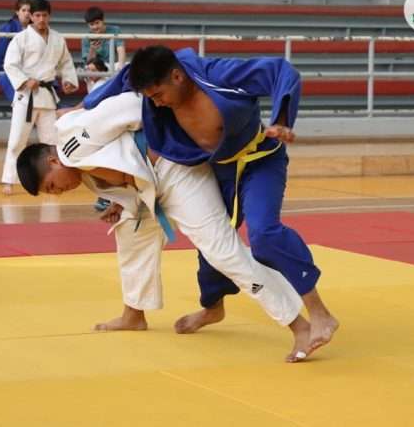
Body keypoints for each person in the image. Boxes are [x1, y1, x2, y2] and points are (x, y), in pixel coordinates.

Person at [17, 92, 316, 362]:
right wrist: (121, 201)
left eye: (52, 186)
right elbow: (124, 167)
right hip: (153, 189)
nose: (58, 193)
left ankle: (299, 324)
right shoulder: (81, 172)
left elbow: (132, 105)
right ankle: (134, 314)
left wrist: (170, 142)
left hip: (176, 172)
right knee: (130, 231)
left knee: (223, 252)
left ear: (53, 160)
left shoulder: (73, 140)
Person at [82, 46, 339, 354]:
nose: (156, 103)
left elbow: (280, 71)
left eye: (159, 94)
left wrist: (282, 119)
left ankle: (320, 313)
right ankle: (213, 308)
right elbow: (124, 77)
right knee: (213, 248)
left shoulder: (217, 75)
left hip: (259, 162)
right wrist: (84, 106)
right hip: (219, 170)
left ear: (177, 76)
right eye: (150, 97)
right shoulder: (156, 90)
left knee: (263, 234)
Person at [1, 0, 78, 195]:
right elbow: (9, 64)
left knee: (51, 141)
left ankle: (51, 178)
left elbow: (66, 63)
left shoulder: (58, 39)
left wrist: (68, 80)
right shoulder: (21, 38)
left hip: (46, 96)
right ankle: (9, 179)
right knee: (17, 140)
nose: (41, 19)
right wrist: (25, 81)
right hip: (26, 97)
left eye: (44, 15)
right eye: (37, 15)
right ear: (31, 17)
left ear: (49, 16)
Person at [0, 0, 31, 107]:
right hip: (11, 66)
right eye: (23, 10)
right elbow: (0, 49)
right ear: (17, 12)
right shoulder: (8, 27)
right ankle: (22, 106)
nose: (27, 13)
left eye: (29, 11)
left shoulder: (36, 29)